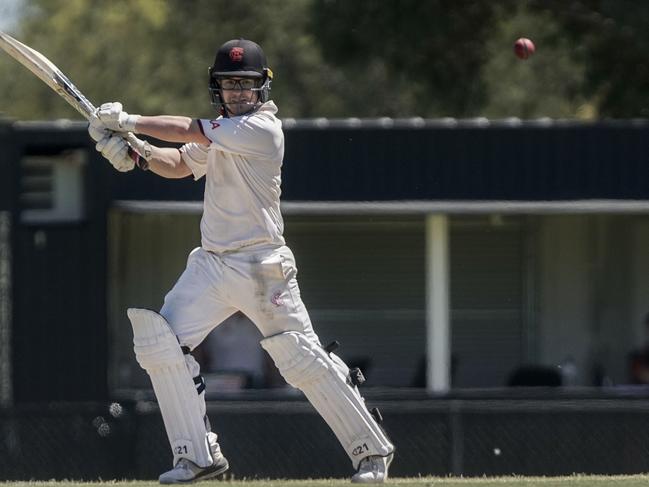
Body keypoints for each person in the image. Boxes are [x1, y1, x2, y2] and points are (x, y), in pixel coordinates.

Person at [87, 38, 394, 484]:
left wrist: (129, 121)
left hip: (262, 265)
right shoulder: (221, 129)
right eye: (229, 85)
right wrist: (138, 154)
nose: (237, 93)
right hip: (212, 264)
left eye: (246, 85)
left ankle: (371, 453)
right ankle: (198, 457)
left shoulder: (262, 130)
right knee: (160, 344)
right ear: (218, 88)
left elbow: (186, 131)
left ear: (262, 88)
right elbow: (178, 162)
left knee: (301, 359)